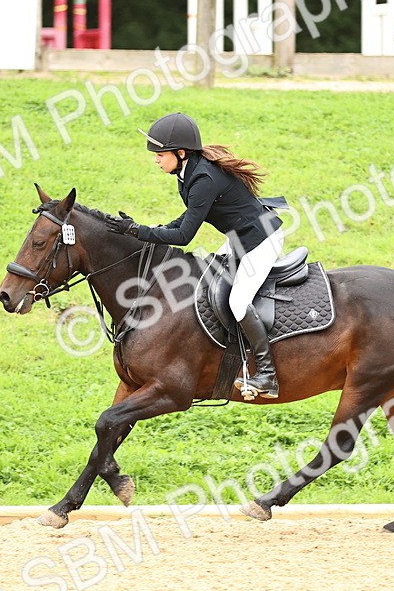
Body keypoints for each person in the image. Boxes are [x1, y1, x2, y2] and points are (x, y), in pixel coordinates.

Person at [106, 113, 287, 399]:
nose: (155, 159)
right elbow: (186, 218)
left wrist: (139, 231)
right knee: (210, 285)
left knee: (238, 302)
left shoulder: (203, 178)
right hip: (239, 239)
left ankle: (267, 375)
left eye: (160, 154)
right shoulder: (186, 173)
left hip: (261, 241)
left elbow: (184, 237)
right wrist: (146, 230)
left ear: (180, 152)